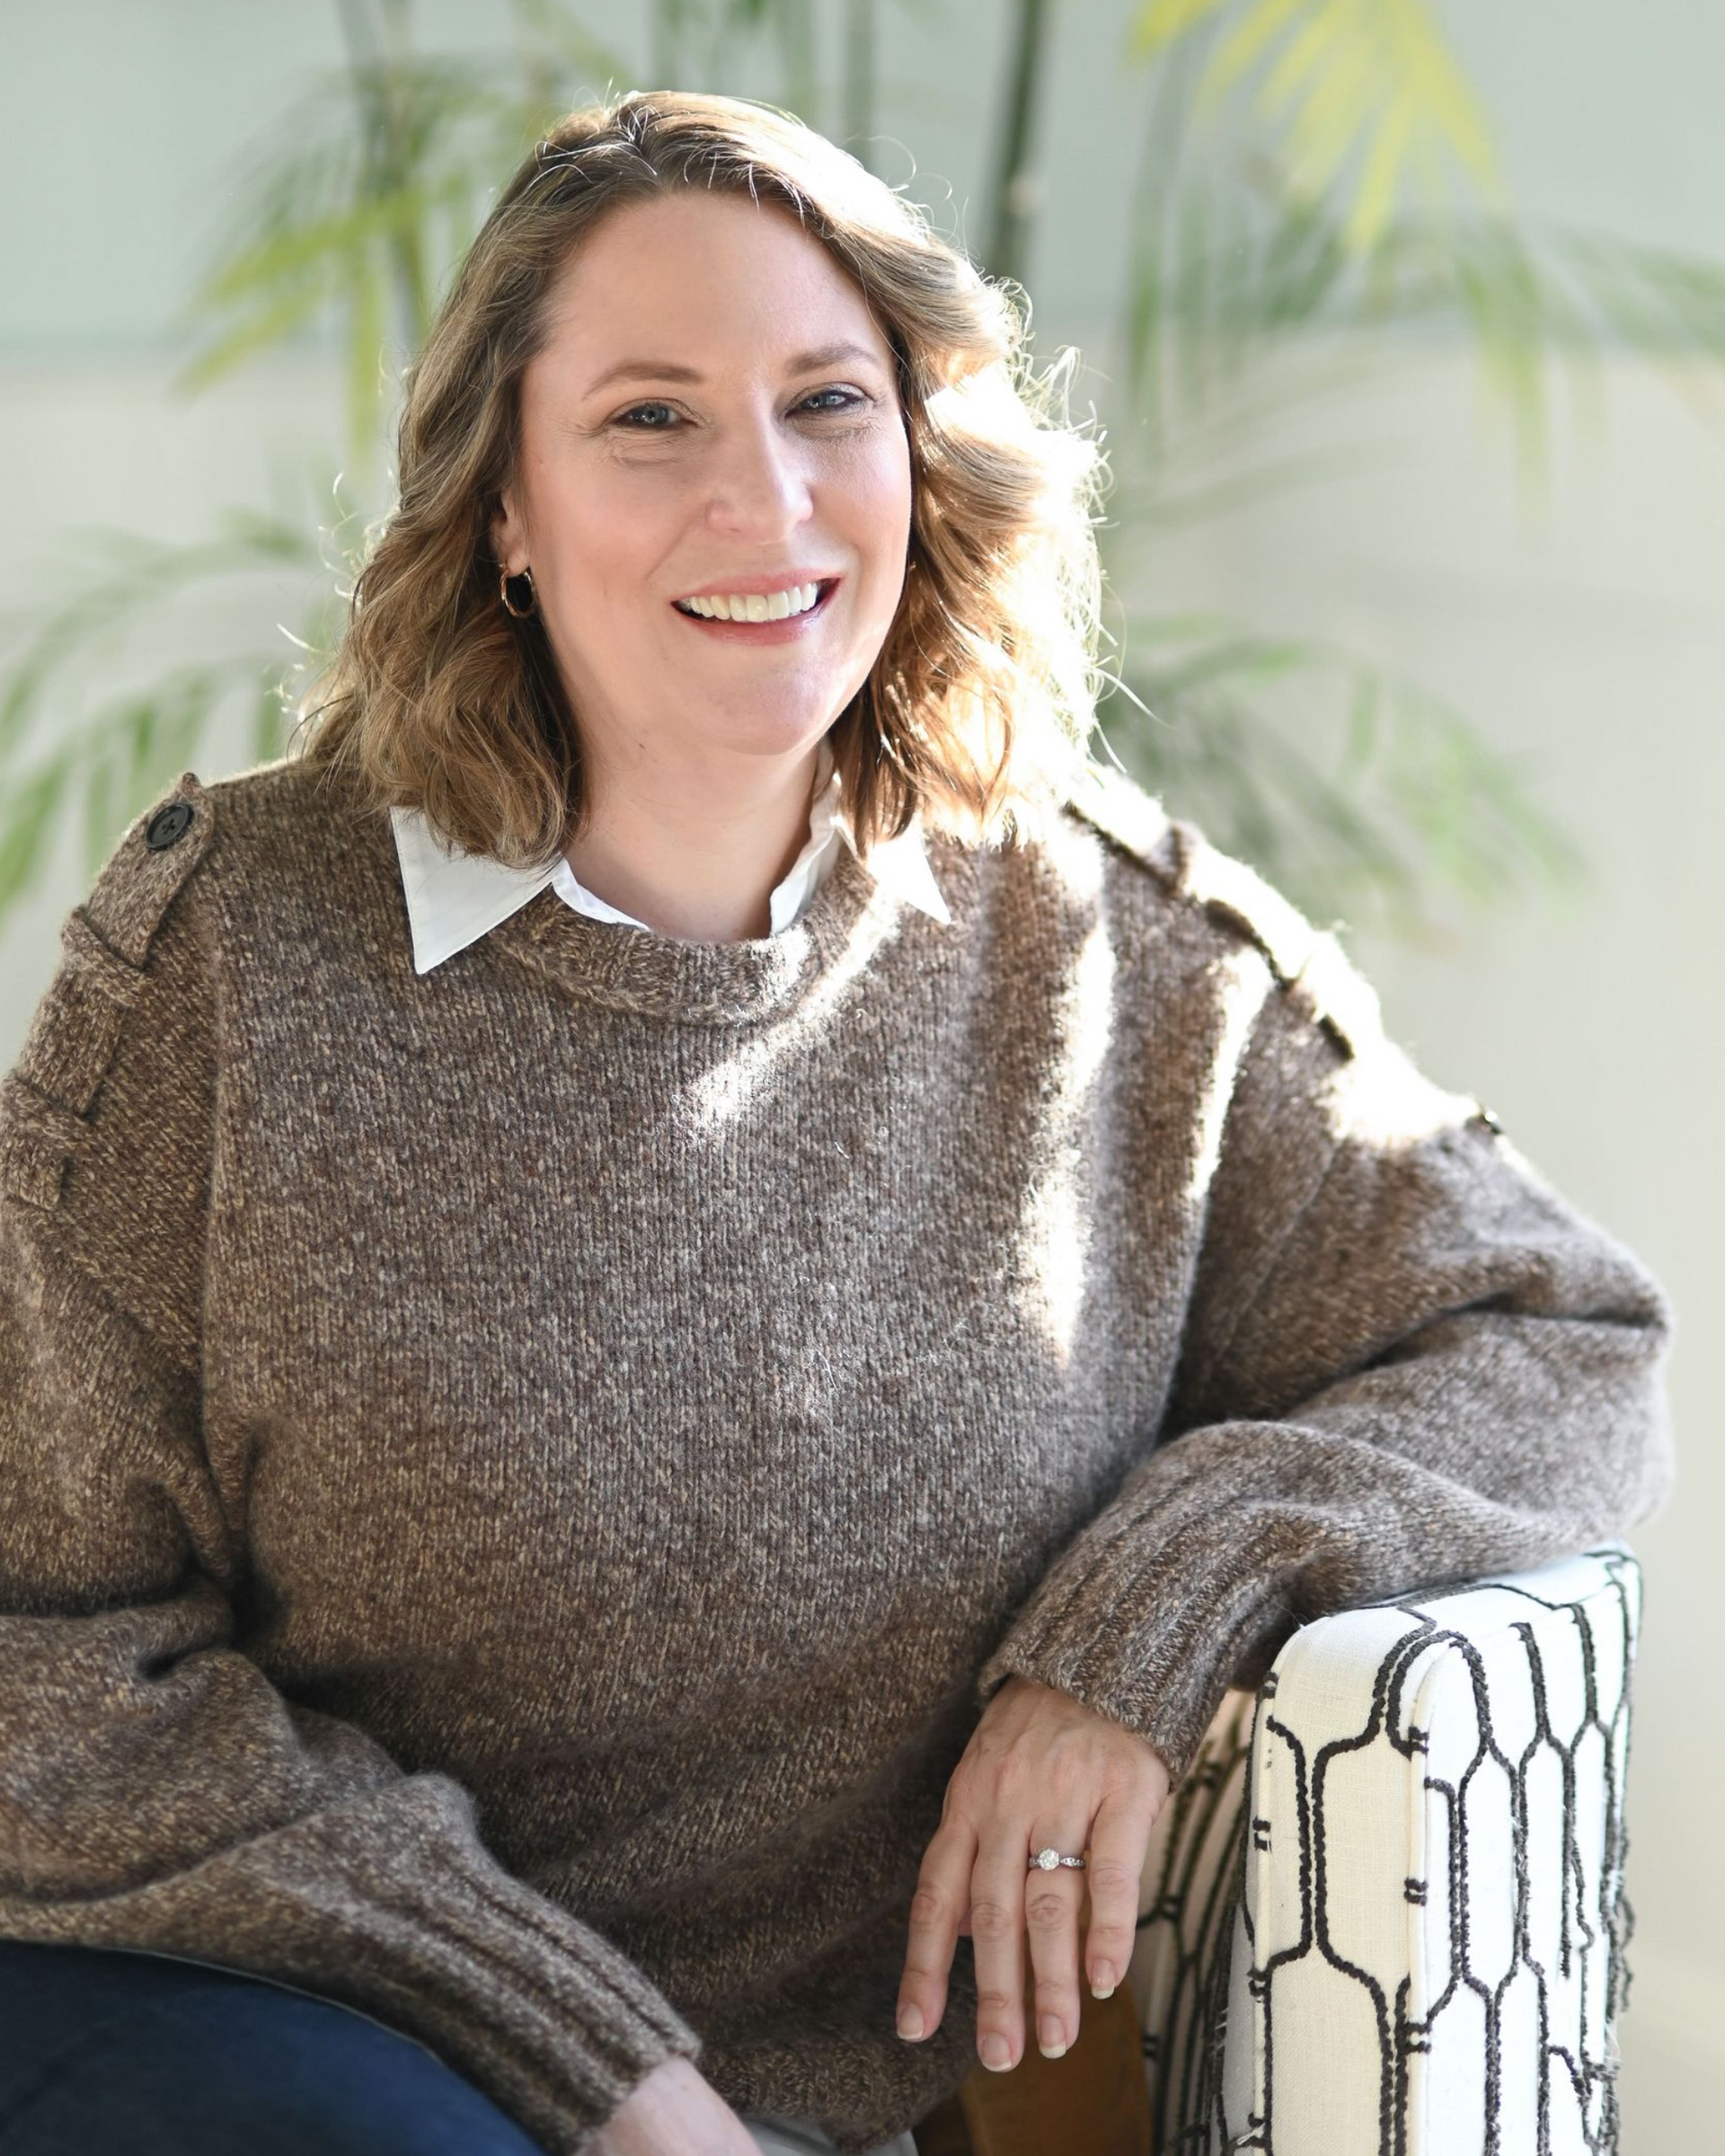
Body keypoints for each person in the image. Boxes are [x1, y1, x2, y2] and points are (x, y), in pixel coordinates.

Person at [0, 85, 1675, 2156]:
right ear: (501, 505)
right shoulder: (231, 957)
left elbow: (1556, 1332)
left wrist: (1136, 1632)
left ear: (920, 455)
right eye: (649, 419)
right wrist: (589, 2065)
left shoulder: (1106, 952)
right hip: (231, 2018)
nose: (767, 502)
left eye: (827, 402)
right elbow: (43, 1661)